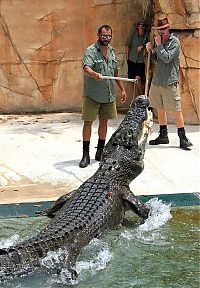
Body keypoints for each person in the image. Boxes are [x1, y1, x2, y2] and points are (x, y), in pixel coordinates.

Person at [79, 24, 127, 168]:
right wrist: (94, 74)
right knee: (88, 122)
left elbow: (115, 73)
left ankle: (100, 152)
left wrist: (122, 90)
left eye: (109, 36)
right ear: (98, 35)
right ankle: (85, 154)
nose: (106, 38)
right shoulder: (91, 51)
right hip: (93, 94)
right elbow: (86, 67)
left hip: (108, 94)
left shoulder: (112, 52)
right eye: (104, 36)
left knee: (104, 122)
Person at [146, 17, 192, 150]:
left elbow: (166, 58)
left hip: (169, 81)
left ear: (169, 28)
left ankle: (183, 138)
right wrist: (151, 50)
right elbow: (157, 60)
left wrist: (158, 45)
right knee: (159, 108)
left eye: (164, 29)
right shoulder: (158, 41)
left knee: (176, 109)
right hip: (157, 80)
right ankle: (163, 135)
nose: (162, 31)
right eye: (159, 29)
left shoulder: (174, 42)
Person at [125, 20, 149, 96]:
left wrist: (143, 46)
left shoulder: (146, 35)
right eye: (140, 25)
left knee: (138, 79)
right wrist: (127, 58)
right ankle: (138, 99)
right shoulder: (133, 34)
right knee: (133, 81)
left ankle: (142, 97)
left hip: (140, 61)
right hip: (132, 59)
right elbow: (127, 45)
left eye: (143, 26)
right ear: (137, 26)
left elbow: (150, 43)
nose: (141, 27)